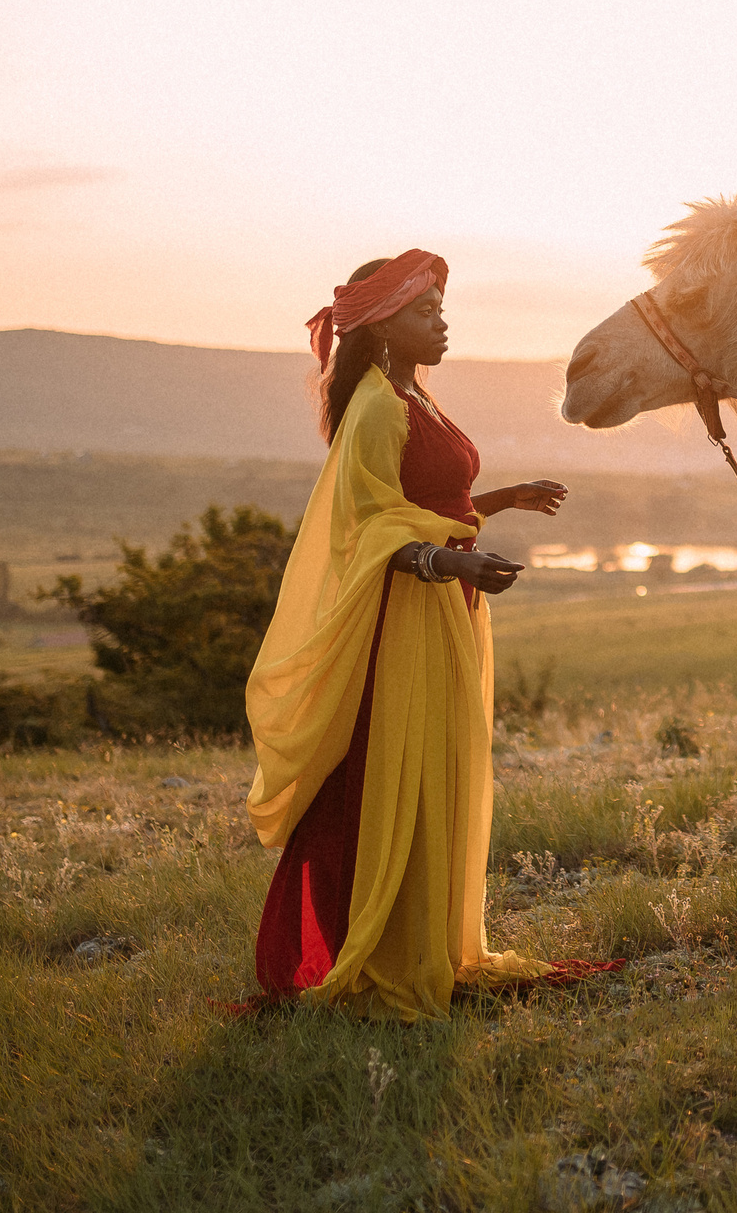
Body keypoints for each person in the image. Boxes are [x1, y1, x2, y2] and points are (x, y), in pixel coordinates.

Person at [242, 249, 574, 1017]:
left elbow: (424, 500)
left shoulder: (408, 396)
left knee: (432, 771)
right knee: (392, 771)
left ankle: (426, 937)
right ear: (386, 325)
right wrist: (453, 565)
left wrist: (504, 498)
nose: (444, 322)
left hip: (439, 612)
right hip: (404, 622)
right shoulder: (378, 406)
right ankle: (374, 949)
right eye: (427, 311)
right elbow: (367, 531)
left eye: (441, 308)